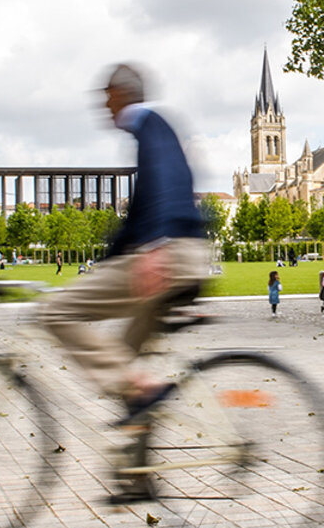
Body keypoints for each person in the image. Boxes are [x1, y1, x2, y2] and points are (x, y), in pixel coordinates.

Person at [39, 63, 211, 460]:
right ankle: (137, 472)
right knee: (125, 363)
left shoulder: (147, 123)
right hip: (183, 257)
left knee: (54, 312)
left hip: (166, 258)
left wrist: (155, 245)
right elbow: (139, 214)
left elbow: (164, 181)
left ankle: (142, 391)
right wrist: (109, 259)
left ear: (120, 94)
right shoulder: (155, 129)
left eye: (106, 96)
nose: (103, 106)